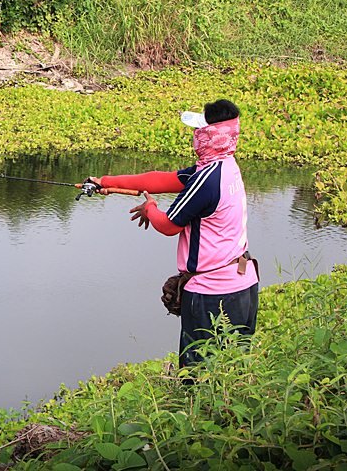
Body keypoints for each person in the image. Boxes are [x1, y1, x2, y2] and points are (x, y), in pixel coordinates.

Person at [85, 99, 258, 368]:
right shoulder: (225, 167)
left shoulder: (206, 180)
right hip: (243, 283)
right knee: (235, 369)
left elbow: (168, 225)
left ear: (210, 135)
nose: (195, 136)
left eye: (199, 130)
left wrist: (150, 207)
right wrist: (105, 182)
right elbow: (157, 179)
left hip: (213, 294)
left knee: (198, 374)